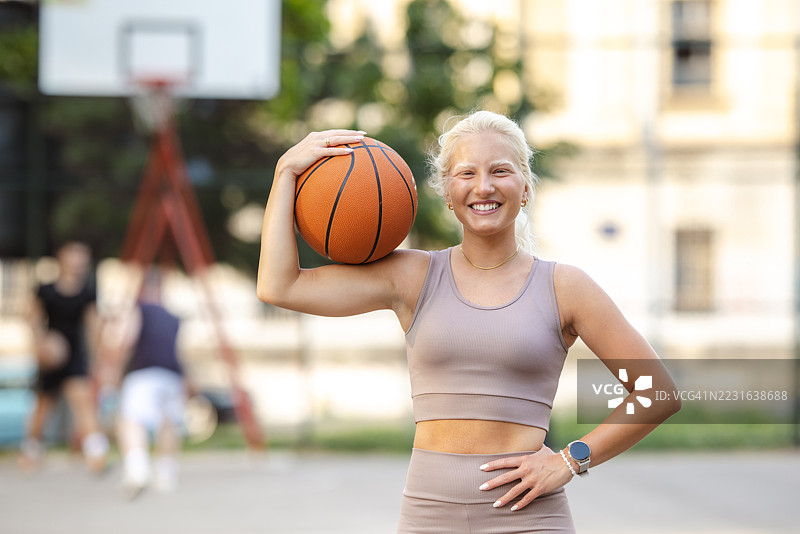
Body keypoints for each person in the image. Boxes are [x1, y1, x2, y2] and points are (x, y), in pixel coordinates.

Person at [257, 111, 681, 533]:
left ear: (526, 187)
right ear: (446, 192)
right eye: (466, 173)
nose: (484, 186)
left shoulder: (565, 287)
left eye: (501, 171)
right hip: (428, 515)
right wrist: (285, 174)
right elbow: (280, 285)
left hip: (529, 519)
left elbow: (656, 392)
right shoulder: (412, 277)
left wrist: (569, 460)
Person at [21, 240, 109, 473]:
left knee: (82, 402)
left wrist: (95, 358)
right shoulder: (46, 290)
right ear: (61, 257)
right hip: (52, 355)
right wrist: (42, 345)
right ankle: (31, 452)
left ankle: (95, 452)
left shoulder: (88, 292)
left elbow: (92, 326)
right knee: (43, 407)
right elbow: (32, 318)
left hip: (75, 354)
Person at [101, 269, 187, 498]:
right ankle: (166, 472)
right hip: (172, 374)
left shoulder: (138, 309)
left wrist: (114, 370)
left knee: (131, 419)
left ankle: (137, 470)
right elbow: (179, 350)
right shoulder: (172, 316)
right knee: (168, 422)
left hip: (143, 372)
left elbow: (126, 339)